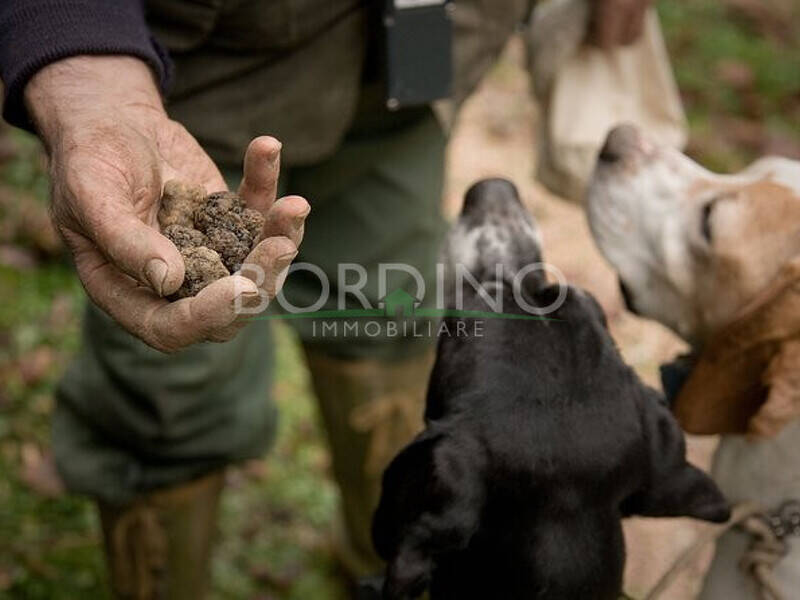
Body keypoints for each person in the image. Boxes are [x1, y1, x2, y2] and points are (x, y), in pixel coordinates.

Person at [0, 0, 649, 597]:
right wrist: (87, 76)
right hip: (186, 80)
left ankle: (387, 557)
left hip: (414, 54)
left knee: (391, 314)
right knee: (167, 390)